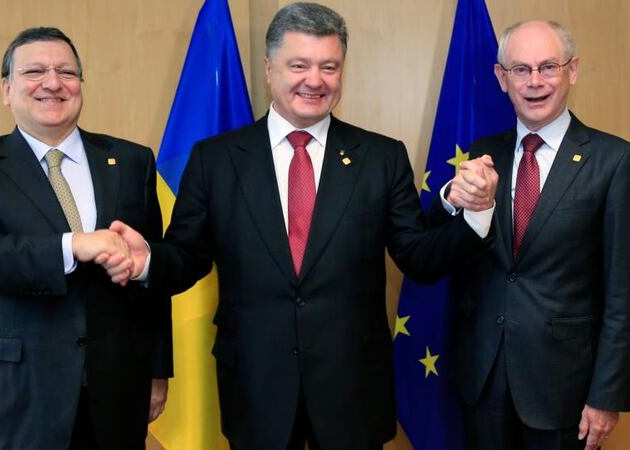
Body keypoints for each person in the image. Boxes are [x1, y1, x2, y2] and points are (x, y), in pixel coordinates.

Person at [101, 3, 496, 449]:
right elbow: (188, 255)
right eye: (299, 65)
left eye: (329, 66)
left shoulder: (381, 157)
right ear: (269, 69)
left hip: (353, 389)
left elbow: (419, 258)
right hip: (255, 383)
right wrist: (148, 261)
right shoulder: (216, 158)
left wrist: (476, 214)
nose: (315, 80)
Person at [0, 27, 172, 450]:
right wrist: (72, 246)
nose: (52, 82)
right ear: (7, 89)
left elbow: (149, 275)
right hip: (21, 394)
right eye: (34, 71)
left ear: (80, 85)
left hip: (117, 389)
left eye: (66, 71)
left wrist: (157, 369)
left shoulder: (132, 160)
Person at [433, 20, 630, 450]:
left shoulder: (615, 161)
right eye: (521, 69)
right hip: (483, 380)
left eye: (548, 67)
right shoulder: (483, 153)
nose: (535, 82)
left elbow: (625, 294)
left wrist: (607, 395)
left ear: (572, 71)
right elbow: (440, 250)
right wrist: (450, 197)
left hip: (565, 390)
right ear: (502, 78)